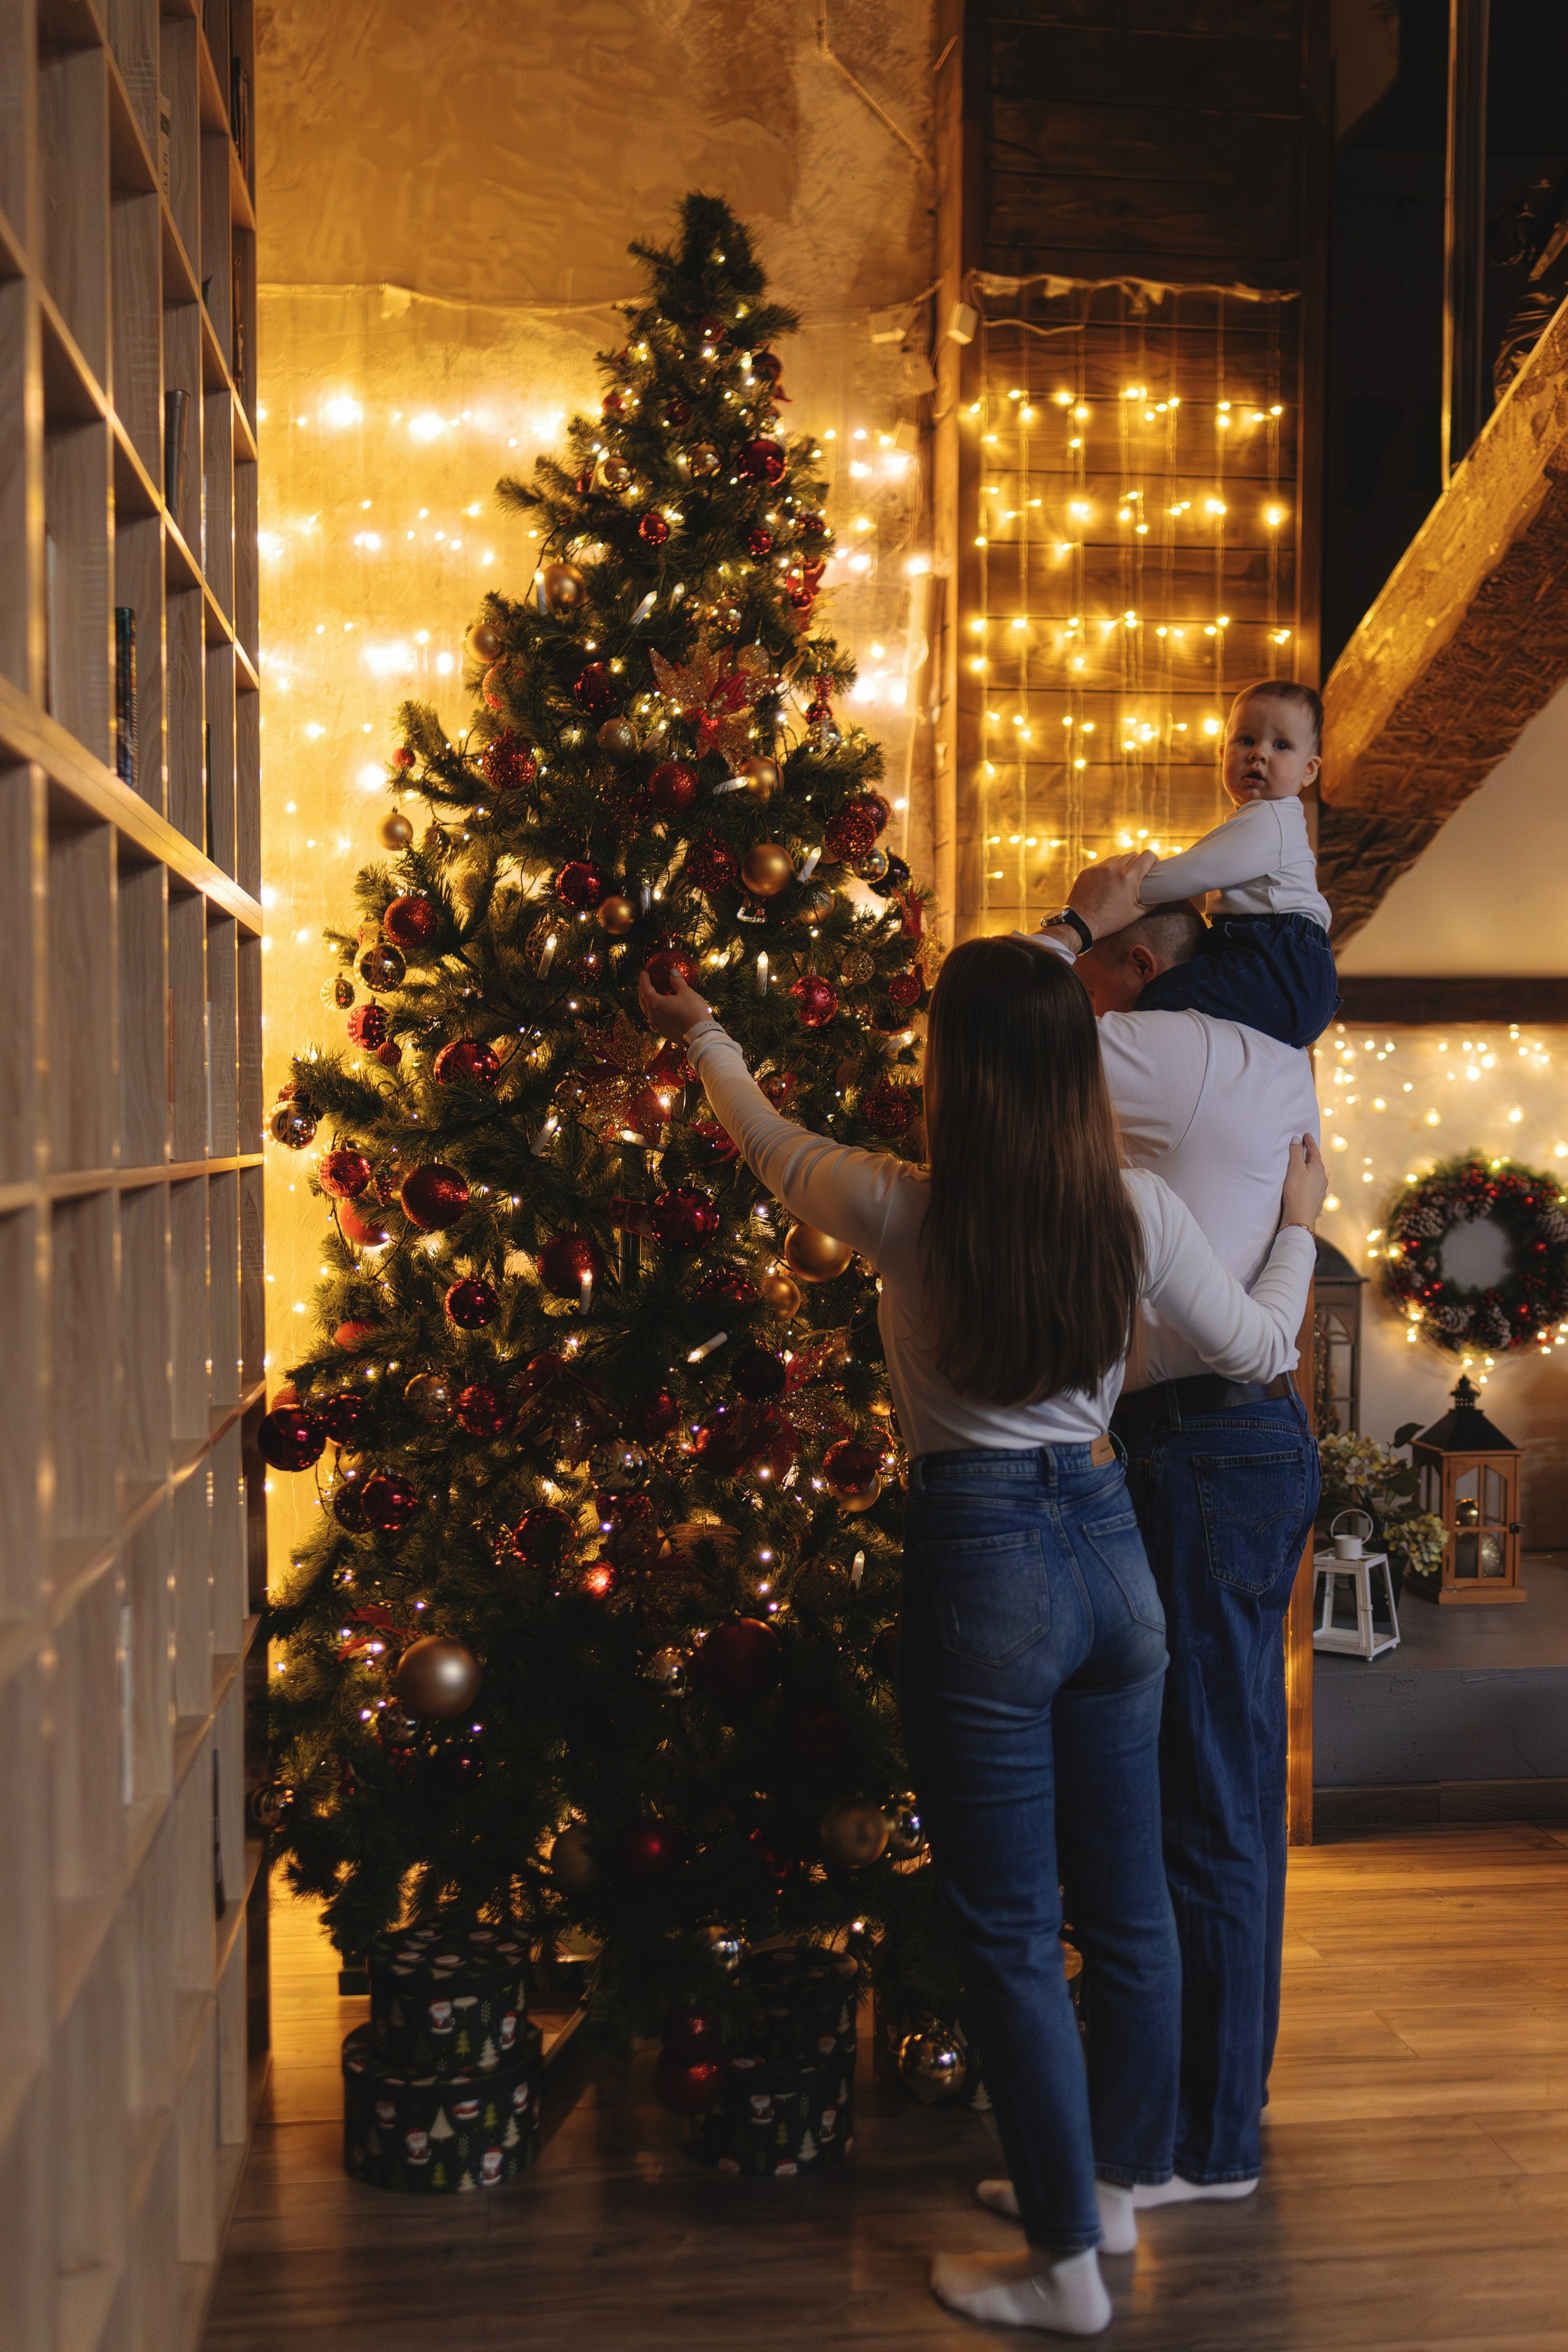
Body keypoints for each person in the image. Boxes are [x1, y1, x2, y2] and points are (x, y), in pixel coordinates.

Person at [638, 930, 1325, 2337]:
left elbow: (766, 1141)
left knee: (1012, 1930)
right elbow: (1262, 1350)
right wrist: (1300, 1221)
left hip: (984, 1566)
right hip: (1107, 1549)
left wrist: (703, 1032)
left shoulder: (903, 1206)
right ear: (1075, 1066)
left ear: (951, 1070)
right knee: (1127, 1908)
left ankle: (1068, 2266)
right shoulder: (1133, 1209)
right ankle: (1118, 2185)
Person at [1011, 859, 1322, 2236]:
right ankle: (1155, 2138)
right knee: (1205, 1796)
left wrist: (1072, 919)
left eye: (1096, 963)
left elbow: (996, 1026)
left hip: (1199, 1444)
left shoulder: (1161, 1050)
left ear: (1133, 966)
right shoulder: (1259, 1062)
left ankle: (1204, 2140)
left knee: (1201, 1802)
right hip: (1216, 1443)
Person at [1121, 679, 1338, 1049]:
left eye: (1281, 745)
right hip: (1278, 965)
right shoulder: (1258, 820)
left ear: (1309, 770)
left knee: (1160, 997)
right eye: (1246, 741)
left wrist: (1126, 887)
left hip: (1278, 958)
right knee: (1207, 1033)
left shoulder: (1270, 821)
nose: (1259, 754)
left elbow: (1194, 871)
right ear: (1223, 753)